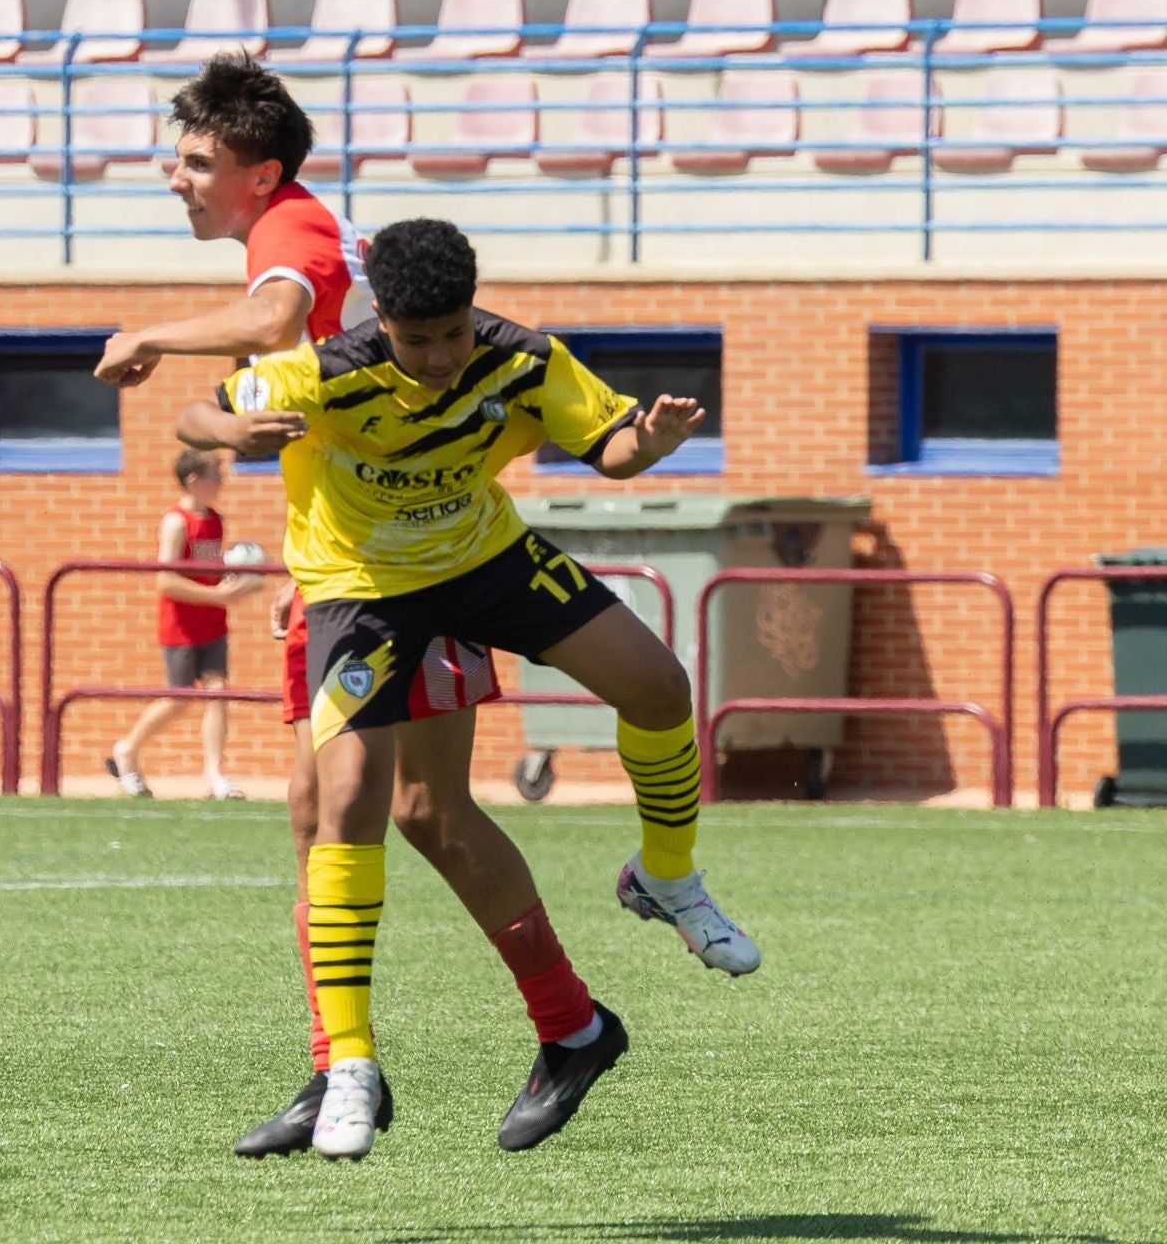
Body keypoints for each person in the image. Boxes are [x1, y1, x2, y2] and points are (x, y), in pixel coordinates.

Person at [94, 56, 629, 1161]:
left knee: (413, 812)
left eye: (197, 162)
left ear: (260, 172)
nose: (175, 178)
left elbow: (276, 318)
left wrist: (152, 338)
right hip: (345, 569)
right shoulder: (280, 225)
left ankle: (554, 1026)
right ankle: (347, 1063)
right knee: (328, 816)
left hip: (395, 574)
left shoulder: (288, 232)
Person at [178, 216, 761, 1162]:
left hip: (481, 562)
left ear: (472, 308)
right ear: (383, 321)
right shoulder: (330, 368)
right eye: (419, 341)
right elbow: (194, 417)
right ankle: (352, 1064)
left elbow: (605, 444)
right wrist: (230, 427)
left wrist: (644, 445)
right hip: (360, 591)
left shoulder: (520, 358)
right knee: (350, 802)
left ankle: (666, 878)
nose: (443, 356)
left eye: (455, 332)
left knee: (657, 685)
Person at [105, 448, 263, 800]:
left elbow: (211, 569)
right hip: (181, 624)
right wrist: (218, 597)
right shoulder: (176, 522)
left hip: (213, 622)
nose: (221, 483)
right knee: (179, 698)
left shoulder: (216, 520)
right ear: (194, 481)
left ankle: (214, 774)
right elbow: (166, 580)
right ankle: (127, 750)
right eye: (215, 476)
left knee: (219, 691)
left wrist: (243, 579)